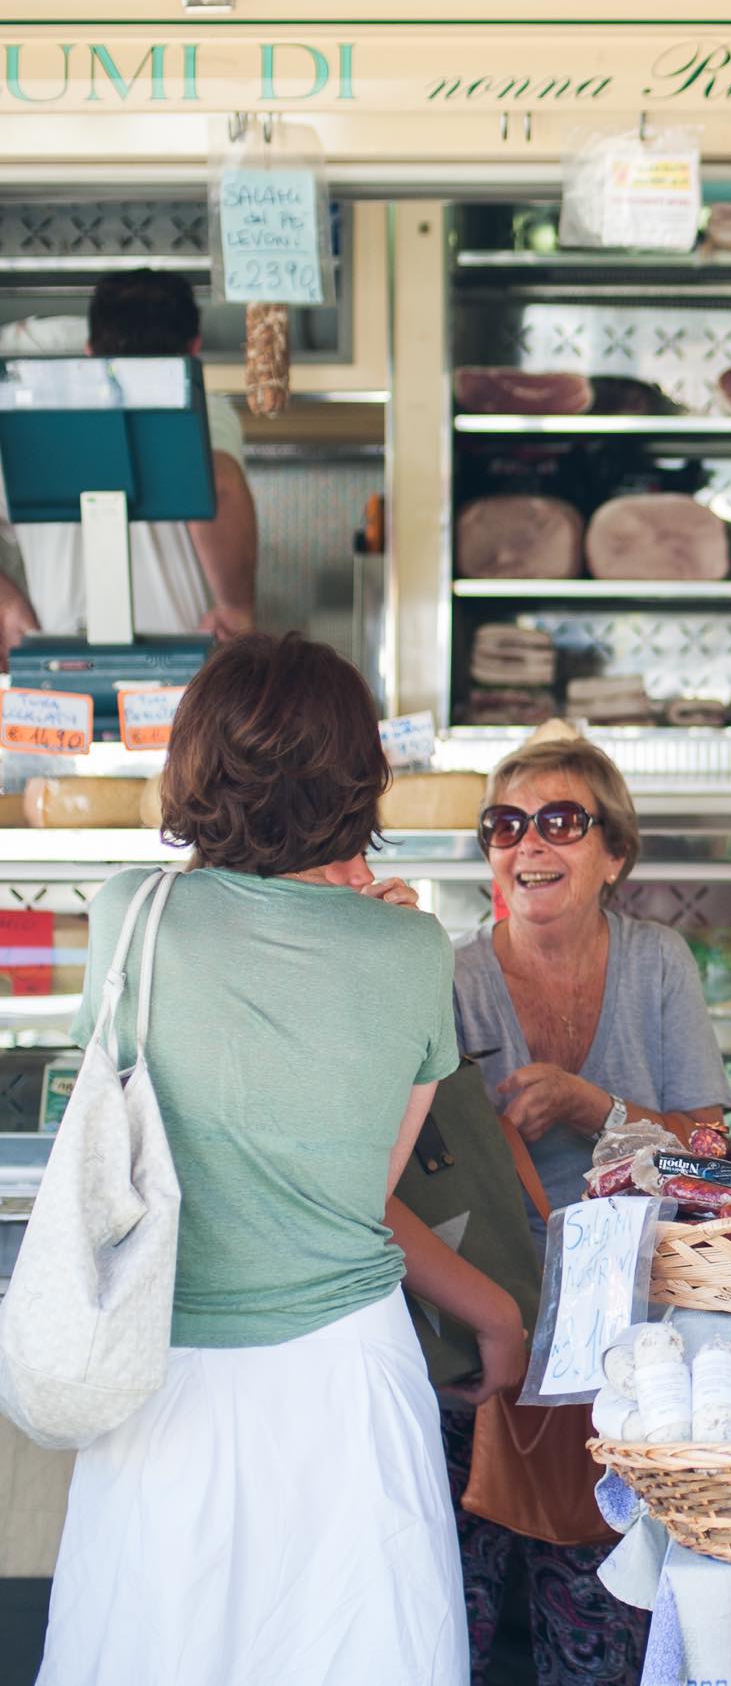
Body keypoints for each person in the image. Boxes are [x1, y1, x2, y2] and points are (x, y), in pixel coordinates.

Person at [38, 634, 477, 1685]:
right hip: (344, 1379)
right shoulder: (415, 951)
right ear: (358, 777)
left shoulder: (128, 915)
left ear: (194, 762)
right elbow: (365, 1190)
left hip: (163, 1370)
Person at [447, 734, 730, 1684]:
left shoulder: (658, 965)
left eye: (562, 820)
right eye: (507, 823)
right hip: (473, 1329)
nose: (531, 842)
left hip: (627, 1337)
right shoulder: (446, 977)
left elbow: (709, 1148)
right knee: (457, 1602)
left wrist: (589, 1104)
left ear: (613, 853)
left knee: (601, 1610)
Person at [0, 272, 260, 657]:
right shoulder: (204, 411)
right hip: (180, 663)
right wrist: (234, 607)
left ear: (90, 348)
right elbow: (220, 486)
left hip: (56, 660)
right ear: (194, 348)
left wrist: (7, 604)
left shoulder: (30, 416)